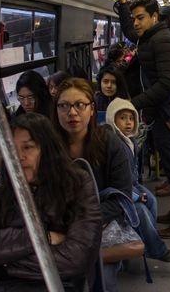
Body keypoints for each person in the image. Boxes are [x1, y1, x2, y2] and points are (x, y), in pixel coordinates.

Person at [0, 113, 102, 290]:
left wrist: (4, 262)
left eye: (28, 147)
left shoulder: (77, 184)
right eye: (11, 149)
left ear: (47, 150)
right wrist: (42, 237)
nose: (18, 157)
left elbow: (76, 257)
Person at [115, 0, 170, 239]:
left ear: (154, 17)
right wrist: (124, 5)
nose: (136, 23)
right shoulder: (148, 37)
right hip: (159, 112)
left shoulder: (164, 41)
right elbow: (130, 32)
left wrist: (134, 103)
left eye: (140, 18)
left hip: (169, 113)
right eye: (134, 18)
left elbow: (167, 83)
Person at [53, 77, 133, 230]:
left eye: (80, 105)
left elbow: (122, 197)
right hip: (61, 224)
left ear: (91, 109)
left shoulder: (110, 143)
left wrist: (83, 219)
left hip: (102, 221)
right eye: (64, 106)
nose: (72, 112)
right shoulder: (47, 147)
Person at [106, 97, 170, 262]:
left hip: (131, 185)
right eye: (122, 118)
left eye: (131, 118)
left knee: (152, 201)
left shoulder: (131, 141)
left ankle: (148, 239)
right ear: (112, 120)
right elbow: (116, 182)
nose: (128, 122)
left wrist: (138, 189)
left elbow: (133, 172)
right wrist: (136, 196)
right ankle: (156, 248)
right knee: (141, 210)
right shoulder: (115, 145)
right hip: (119, 191)